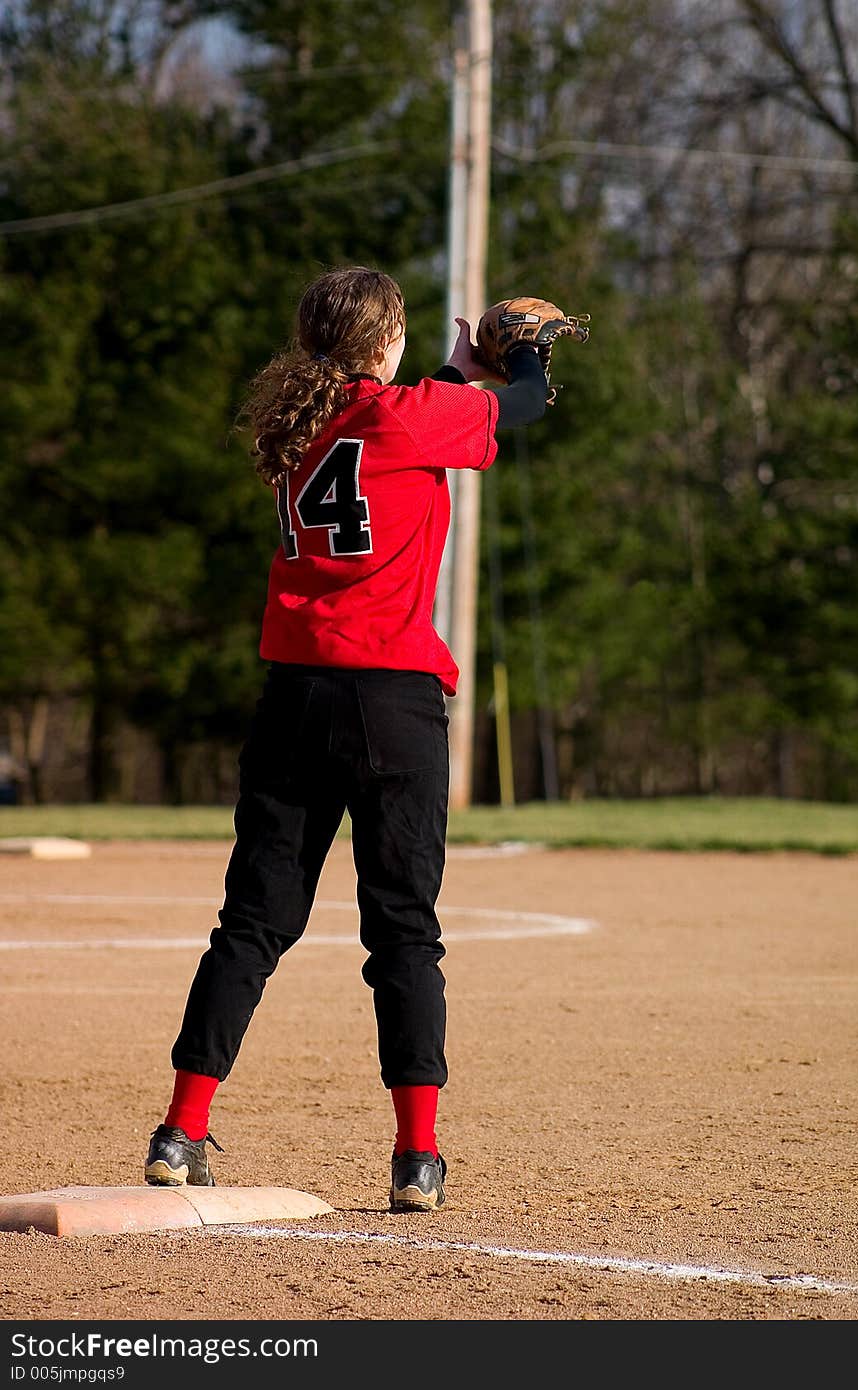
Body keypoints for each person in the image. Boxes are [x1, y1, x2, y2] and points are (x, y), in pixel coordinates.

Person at [144, 265, 549, 1211]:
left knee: (251, 922)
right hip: (392, 702)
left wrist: (454, 369)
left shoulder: (297, 427)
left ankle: (181, 1129)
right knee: (404, 931)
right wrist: (520, 355)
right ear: (383, 344)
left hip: (294, 695)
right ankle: (417, 1157)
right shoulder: (406, 420)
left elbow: (401, 426)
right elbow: (519, 408)